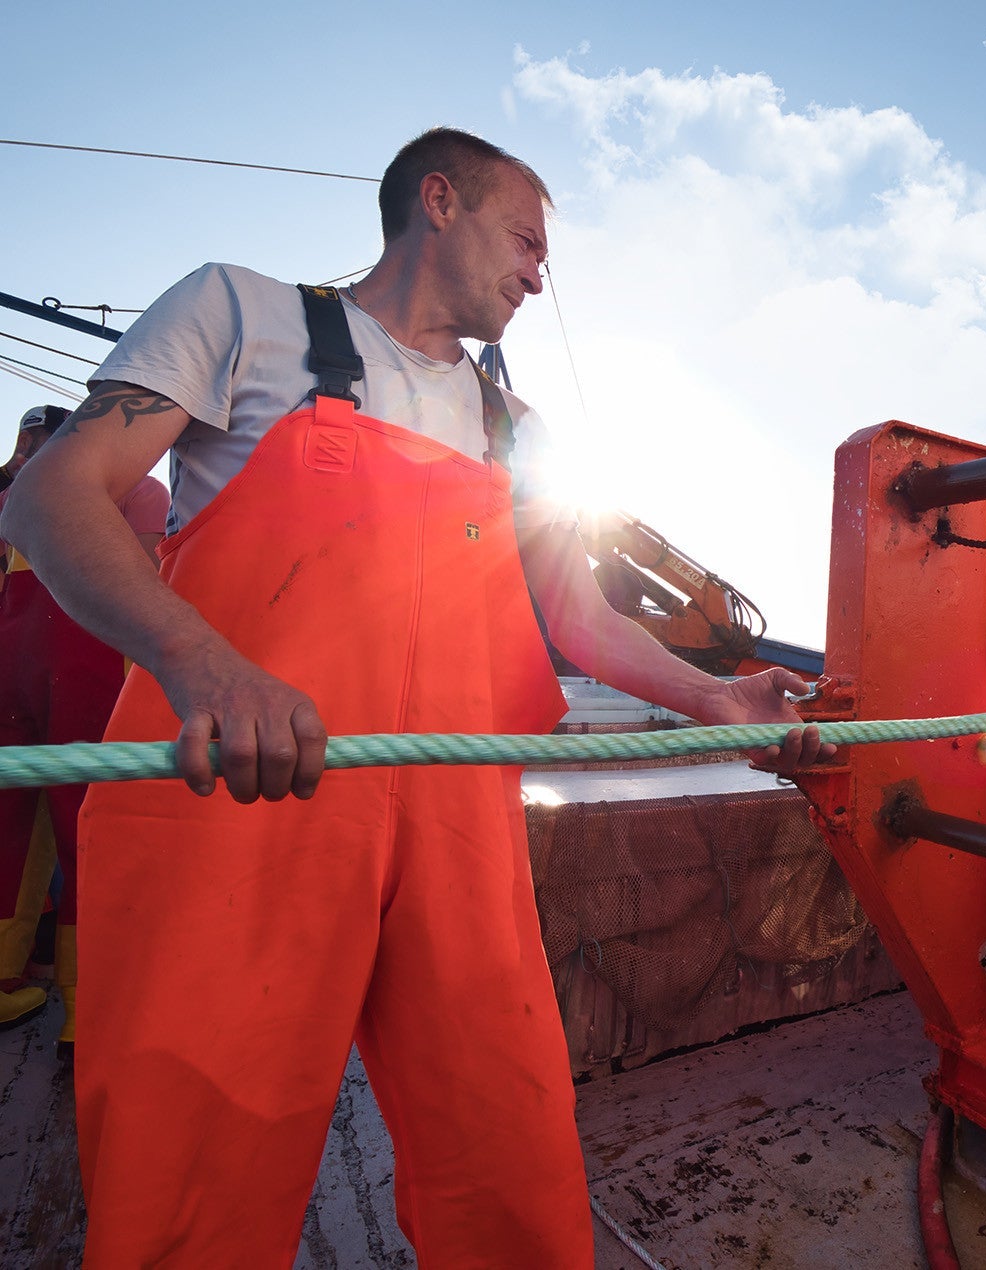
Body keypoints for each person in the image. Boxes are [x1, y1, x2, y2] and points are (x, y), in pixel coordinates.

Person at [0, 126, 829, 1268]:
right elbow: (55, 498)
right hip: (243, 804)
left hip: (456, 826)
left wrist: (716, 697)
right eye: (527, 238)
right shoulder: (243, 313)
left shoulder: (512, 429)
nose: (541, 273)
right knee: (192, 1179)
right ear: (439, 200)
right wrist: (208, 668)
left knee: (513, 1157)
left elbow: (576, 615)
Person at [0, 405, 167, 1045]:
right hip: (89, 665)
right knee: (89, 832)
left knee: (10, 828)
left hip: (12, 662)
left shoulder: (18, 493)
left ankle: (7, 978)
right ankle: (85, 1007)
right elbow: (147, 583)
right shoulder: (141, 489)